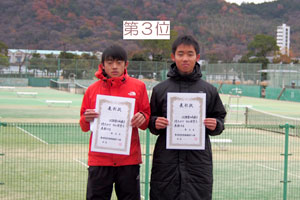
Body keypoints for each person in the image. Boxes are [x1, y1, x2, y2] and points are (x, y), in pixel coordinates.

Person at [148, 35, 227, 200]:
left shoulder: (209, 90)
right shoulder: (160, 90)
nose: (185, 58)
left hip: (198, 162)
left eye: (190, 54)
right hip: (166, 161)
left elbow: (219, 118)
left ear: (197, 57)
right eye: (180, 53)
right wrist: (155, 122)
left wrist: (216, 125)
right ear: (173, 56)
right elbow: (151, 120)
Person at [79, 44, 150, 200]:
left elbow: (146, 121)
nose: (114, 66)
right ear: (102, 65)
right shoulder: (92, 90)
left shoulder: (138, 87)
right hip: (99, 159)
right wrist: (86, 118)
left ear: (126, 64)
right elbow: (84, 125)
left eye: (119, 62)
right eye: (110, 62)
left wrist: (142, 118)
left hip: (128, 160)